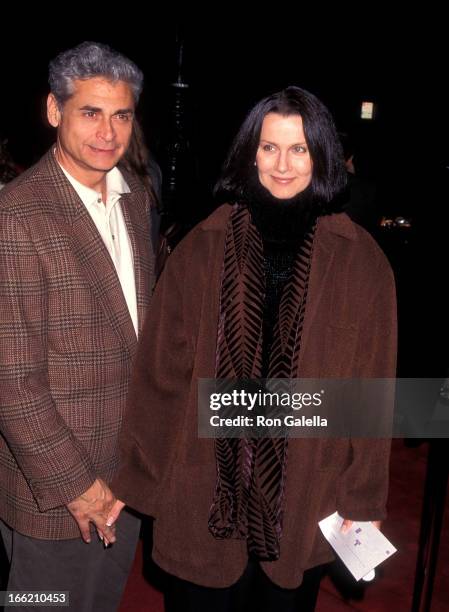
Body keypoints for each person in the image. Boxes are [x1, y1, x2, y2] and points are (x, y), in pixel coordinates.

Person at [109, 86, 397, 612]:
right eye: (269, 148)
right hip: (202, 492)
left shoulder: (361, 263)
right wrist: (138, 480)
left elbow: (370, 394)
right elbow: (159, 379)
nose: (282, 165)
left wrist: (363, 498)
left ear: (322, 155)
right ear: (250, 153)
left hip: (306, 490)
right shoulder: (201, 247)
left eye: (299, 149)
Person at [0, 41, 156, 611]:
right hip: (58, 495)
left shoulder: (133, 201)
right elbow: (12, 382)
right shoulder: (17, 216)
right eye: (90, 112)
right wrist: (79, 487)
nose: (108, 132)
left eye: (121, 114)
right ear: (53, 111)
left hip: (125, 477)